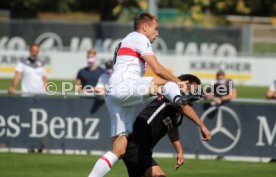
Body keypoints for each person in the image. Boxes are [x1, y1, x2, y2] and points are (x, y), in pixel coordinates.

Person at [88, 13, 190, 177]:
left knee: (119, 150)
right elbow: (157, 69)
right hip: (123, 86)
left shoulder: (126, 41)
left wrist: (153, 90)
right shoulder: (138, 37)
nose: (157, 33)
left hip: (115, 94)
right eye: (155, 29)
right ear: (144, 27)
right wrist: (179, 83)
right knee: (169, 83)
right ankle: (179, 99)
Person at [122, 74, 211, 177]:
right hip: (135, 147)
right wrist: (202, 126)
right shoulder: (170, 93)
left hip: (143, 149)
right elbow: (184, 106)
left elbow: (172, 128)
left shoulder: (177, 111)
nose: (194, 95)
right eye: (193, 90)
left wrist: (179, 151)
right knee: (159, 175)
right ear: (184, 84)